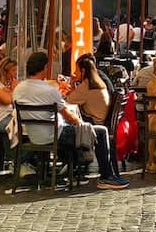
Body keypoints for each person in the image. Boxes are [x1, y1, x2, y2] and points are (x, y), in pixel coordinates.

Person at [13, 50, 128, 189]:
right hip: (56, 135)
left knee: (83, 130)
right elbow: (69, 116)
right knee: (101, 131)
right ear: (44, 68)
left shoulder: (18, 89)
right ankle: (106, 176)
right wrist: (83, 126)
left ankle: (73, 170)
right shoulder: (49, 91)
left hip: (33, 136)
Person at [67, 54, 111, 125]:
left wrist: (72, 82)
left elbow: (69, 100)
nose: (75, 72)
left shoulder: (87, 85)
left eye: (77, 70)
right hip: (101, 120)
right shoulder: (97, 81)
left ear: (83, 71)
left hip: (94, 122)